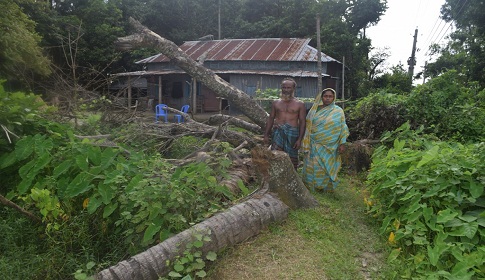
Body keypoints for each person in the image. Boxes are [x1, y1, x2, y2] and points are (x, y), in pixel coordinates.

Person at [301, 88, 349, 192]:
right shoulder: (314, 110)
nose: (327, 98)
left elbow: (342, 127)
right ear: (321, 97)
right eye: (325, 96)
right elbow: (308, 125)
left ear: (333, 97)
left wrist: (342, 143)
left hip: (331, 145)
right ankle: (311, 186)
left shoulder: (338, 111)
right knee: (314, 165)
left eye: (330, 96)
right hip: (313, 142)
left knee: (327, 165)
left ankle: (326, 188)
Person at [263, 78, 306, 169]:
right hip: (278, 132)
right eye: (284, 87)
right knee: (275, 156)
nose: (286, 90)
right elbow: (271, 118)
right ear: (281, 88)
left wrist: (299, 139)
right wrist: (266, 134)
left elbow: (302, 122)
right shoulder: (276, 103)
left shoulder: (300, 104)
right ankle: (277, 178)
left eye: (289, 87)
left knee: (292, 158)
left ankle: (292, 179)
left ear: (293, 89)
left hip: (292, 133)